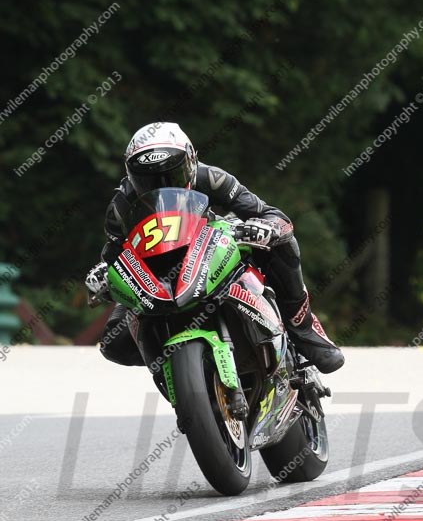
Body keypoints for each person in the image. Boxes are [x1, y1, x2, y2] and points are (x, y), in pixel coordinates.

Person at [86, 122, 344, 374]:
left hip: (212, 247)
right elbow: (115, 257)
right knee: (113, 343)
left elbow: (271, 215)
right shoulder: (120, 207)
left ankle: (303, 327)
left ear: (190, 161)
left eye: (171, 175)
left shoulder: (211, 177)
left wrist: (265, 228)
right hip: (157, 276)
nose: (162, 186)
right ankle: (176, 366)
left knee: (281, 243)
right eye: (149, 180)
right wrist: (103, 275)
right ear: (131, 176)